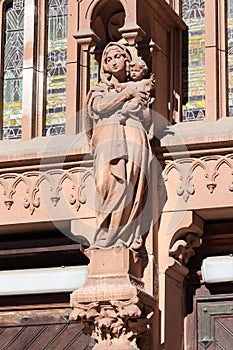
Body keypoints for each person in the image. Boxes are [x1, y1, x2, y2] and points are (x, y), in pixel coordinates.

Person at [85, 42, 154, 249]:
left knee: (130, 182)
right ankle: (107, 231)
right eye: (108, 59)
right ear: (104, 66)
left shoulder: (139, 85)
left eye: (117, 57)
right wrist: (127, 95)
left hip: (133, 135)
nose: (113, 62)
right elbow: (99, 106)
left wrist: (136, 103)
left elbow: (146, 115)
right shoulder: (100, 90)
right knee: (107, 184)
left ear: (127, 60)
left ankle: (124, 233)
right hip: (107, 139)